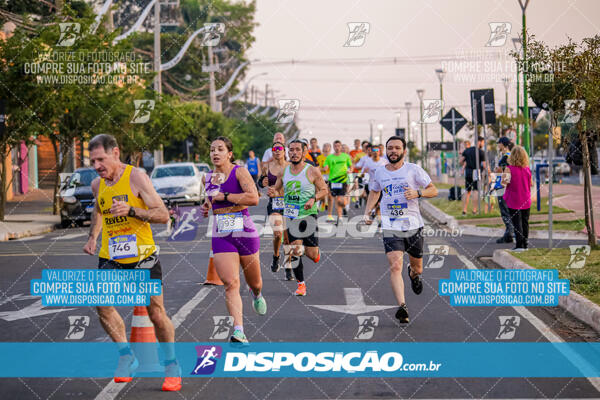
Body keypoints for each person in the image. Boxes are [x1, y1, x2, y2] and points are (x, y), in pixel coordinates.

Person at [83, 134, 181, 391]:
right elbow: (98, 210)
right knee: (102, 304)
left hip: (142, 256)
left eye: (100, 159)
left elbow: (162, 214)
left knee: (156, 315)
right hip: (111, 255)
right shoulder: (98, 184)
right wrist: (93, 237)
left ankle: (171, 365)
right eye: (92, 161)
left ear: (115, 153)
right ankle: (127, 355)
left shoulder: (136, 177)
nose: (96, 166)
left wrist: (132, 211)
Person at [363, 137, 438, 323]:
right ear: (386, 151)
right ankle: (402, 307)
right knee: (395, 266)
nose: (393, 151)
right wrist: (367, 212)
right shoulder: (379, 172)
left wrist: (418, 193)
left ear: (404, 151)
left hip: (413, 225)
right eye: (390, 148)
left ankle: (413, 275)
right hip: (390, 225)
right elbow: (374, 191)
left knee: (418, 268)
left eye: (397, 148)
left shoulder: (413, 169)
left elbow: (433, 189)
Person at [201, 136, 267, 344]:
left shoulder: (240, 171)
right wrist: (207, 206)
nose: (215, 153)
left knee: (254, 282)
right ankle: (239, 331)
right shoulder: (207, 177)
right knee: (230, 283)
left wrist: (226, 196)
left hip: (245, 231)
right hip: (222, 232)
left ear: (229, 154)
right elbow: (210, 198)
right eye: (212, 149)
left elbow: (254, 198)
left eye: (220, 149)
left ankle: (256, 295)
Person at [268, 140, 328, 296]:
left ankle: (316, 253)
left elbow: (324, 190)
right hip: (291, 215)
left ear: (304, 152)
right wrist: (273, 192)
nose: (293, 153)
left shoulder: (312, 171)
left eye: (297, 150)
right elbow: (277, 190)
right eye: (291, 150)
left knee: (312, 254)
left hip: (309, 215)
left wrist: (313, 198)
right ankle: (301, 284)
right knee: (294, 249)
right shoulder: (284, 172)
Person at [258, 141, 293, 279]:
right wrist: (262, 183)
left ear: (284, 151)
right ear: (272, 151)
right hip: (274, 203)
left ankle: (288, 267)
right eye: (274, 149)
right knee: (278, 233)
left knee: (288, 239)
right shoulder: (267, 166)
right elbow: (260, 182)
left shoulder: (291, 166)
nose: (277, 151)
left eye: (280, 149)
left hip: (289, 203)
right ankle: (276, 256)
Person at [502, 145, 532, 252]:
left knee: (516, 223)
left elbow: (504, 183)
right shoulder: (527, 169)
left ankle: (519, 245)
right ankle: (525, 244)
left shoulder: (508, 169)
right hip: (526, 199)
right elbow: (530, 184)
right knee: (525, 222)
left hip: (513, 200)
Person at [324, 140, 353, 223]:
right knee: (335, 199)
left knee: (341, 201)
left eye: (338, 146)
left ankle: (345, 205)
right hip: (333, 181)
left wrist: (350, 170)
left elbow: (351, 166)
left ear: (341, 147)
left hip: (343, 180)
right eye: (335, 146)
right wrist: (325, 168)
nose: (337, 148)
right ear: (333, 147)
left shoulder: (345, 156)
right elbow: (325, 165)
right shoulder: (329, 157)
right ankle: (340, 217)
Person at [357, 143, 388, 218]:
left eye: (377, 150)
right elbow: (361, 174)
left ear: (379, 151)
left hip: (382, 186)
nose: (375, 152)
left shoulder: (384, 161)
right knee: (374, 204)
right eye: (373, 150)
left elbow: (390, 172)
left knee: (379, 205)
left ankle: (379, 225)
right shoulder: (368, 161)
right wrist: (365, 172)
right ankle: (376, 218)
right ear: (371, 152)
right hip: (371, 186)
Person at [461, 136, 489, 215]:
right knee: (475, 191)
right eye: (483, 142)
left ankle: (464, 210)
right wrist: (489, 172)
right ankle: (474, 210)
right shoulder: (481, 152)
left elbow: (461, 161)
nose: (483, 144)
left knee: (467, 191)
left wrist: (465, 164)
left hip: (468, 172)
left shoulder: (467, 150)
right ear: (479, 142)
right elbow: (484, 165)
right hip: (476, 172)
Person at [494, 137, 514, 243]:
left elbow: (507, 172)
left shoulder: (507, 157)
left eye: (499, 144)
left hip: (503, 186)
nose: (498, 146)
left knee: (505, 210)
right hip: (502, 184)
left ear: (502, 144)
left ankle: (509, 233)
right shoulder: (507, 156)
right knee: (506, 210)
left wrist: (498, 171)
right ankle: (508, 232)